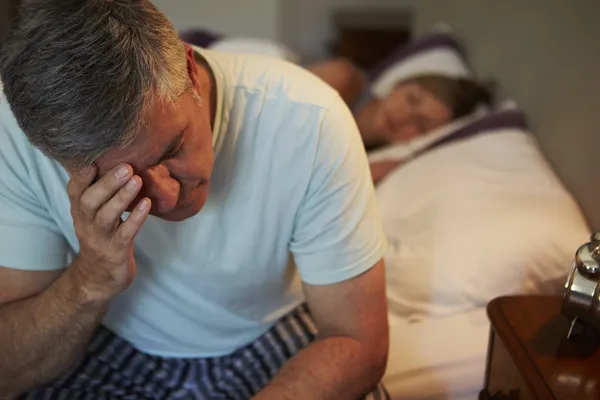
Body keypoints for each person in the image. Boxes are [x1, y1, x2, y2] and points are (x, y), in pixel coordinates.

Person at [0, 1, 389, 399]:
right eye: (123, 182)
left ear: (189, 70)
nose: (167, 197)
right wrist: (90, 280)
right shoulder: (15, 134)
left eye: (173, 148)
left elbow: (359, 341)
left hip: (264, 328)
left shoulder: (308, 118)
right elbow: (7, 371)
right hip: (113, 337)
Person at [308, 59, 492, 184]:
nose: (403, 116)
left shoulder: (375, 160)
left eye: (421, 125)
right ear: (400, 84)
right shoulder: (342, 80)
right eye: (411, 99)